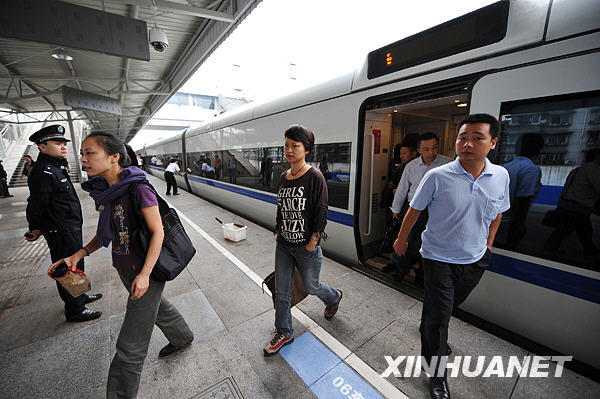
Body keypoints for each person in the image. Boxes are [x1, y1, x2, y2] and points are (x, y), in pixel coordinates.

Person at [57, 132, 194, 398]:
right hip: (125, 266)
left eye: (90, 153)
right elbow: (107, 231)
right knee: (159, 307)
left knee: (130, 346)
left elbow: (158, 233)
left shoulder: (138, 188)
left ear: (114, 157)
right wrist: (81, 253)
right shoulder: (108, 192)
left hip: (147, 269)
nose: (83, 159)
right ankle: (182, 337)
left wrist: (144, 274)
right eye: (82, 153)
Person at [394, 114, 509, 399]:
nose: (468, 143)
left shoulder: (501, 176)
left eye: (477, 137)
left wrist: (489, 245)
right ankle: (436, 376)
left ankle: (431, 321)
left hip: (475, 259)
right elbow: (414, 210)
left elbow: (498, 213)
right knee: (439, 319)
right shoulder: (437, 176)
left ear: (492, 142)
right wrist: (401, 238)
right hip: (438, 258)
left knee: (443, 308)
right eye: (462, 137)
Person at [264, 125, 342, 356]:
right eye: (286, 145)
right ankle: (285, 331)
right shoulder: (283, 176)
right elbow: (281, 207)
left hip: (306, 247)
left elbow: (321, 210)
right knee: (282, 290)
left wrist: (313, 240)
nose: (289, 150)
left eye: (295, 146)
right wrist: (279, 231)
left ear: (306, 149)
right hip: (284, 245)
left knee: (311, 286)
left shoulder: (315, 176)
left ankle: (333, 297)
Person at [25, 125, 102, 322]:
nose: (63, 146)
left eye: (64, 143)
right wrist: (35, 227)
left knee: (76, 262)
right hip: (59, 229)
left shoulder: (55, 167)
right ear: (42, 147)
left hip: (69, 226)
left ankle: (81, 295)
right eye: (57, 143)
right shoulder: (43, 171)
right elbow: (36, 203)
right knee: (66, 266)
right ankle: (75, 309)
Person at [385, 133, 451, 283]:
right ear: (419, 150)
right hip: (413, 208)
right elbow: (402, 189)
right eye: (426, 149)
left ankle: (422, 275)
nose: (431, 153)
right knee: (405, 240)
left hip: (436, 211)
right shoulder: (412, 166)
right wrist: (395, 209)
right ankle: (402, 269)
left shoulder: (447, 164)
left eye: (434, 148)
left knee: (429, 244)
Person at [544, 148, 600, 255]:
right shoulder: (593, 169)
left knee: (582, 229)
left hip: (568, 204)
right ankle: (549, 249)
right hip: (579, 207)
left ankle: (589, 248)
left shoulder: (577, 170)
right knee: (567, 229)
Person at [502, 133, 544, 250]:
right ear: (538, 150)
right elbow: (523, 200)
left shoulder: (505, 166)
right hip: (510, 221)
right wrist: (520, 225)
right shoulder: (532, 169)